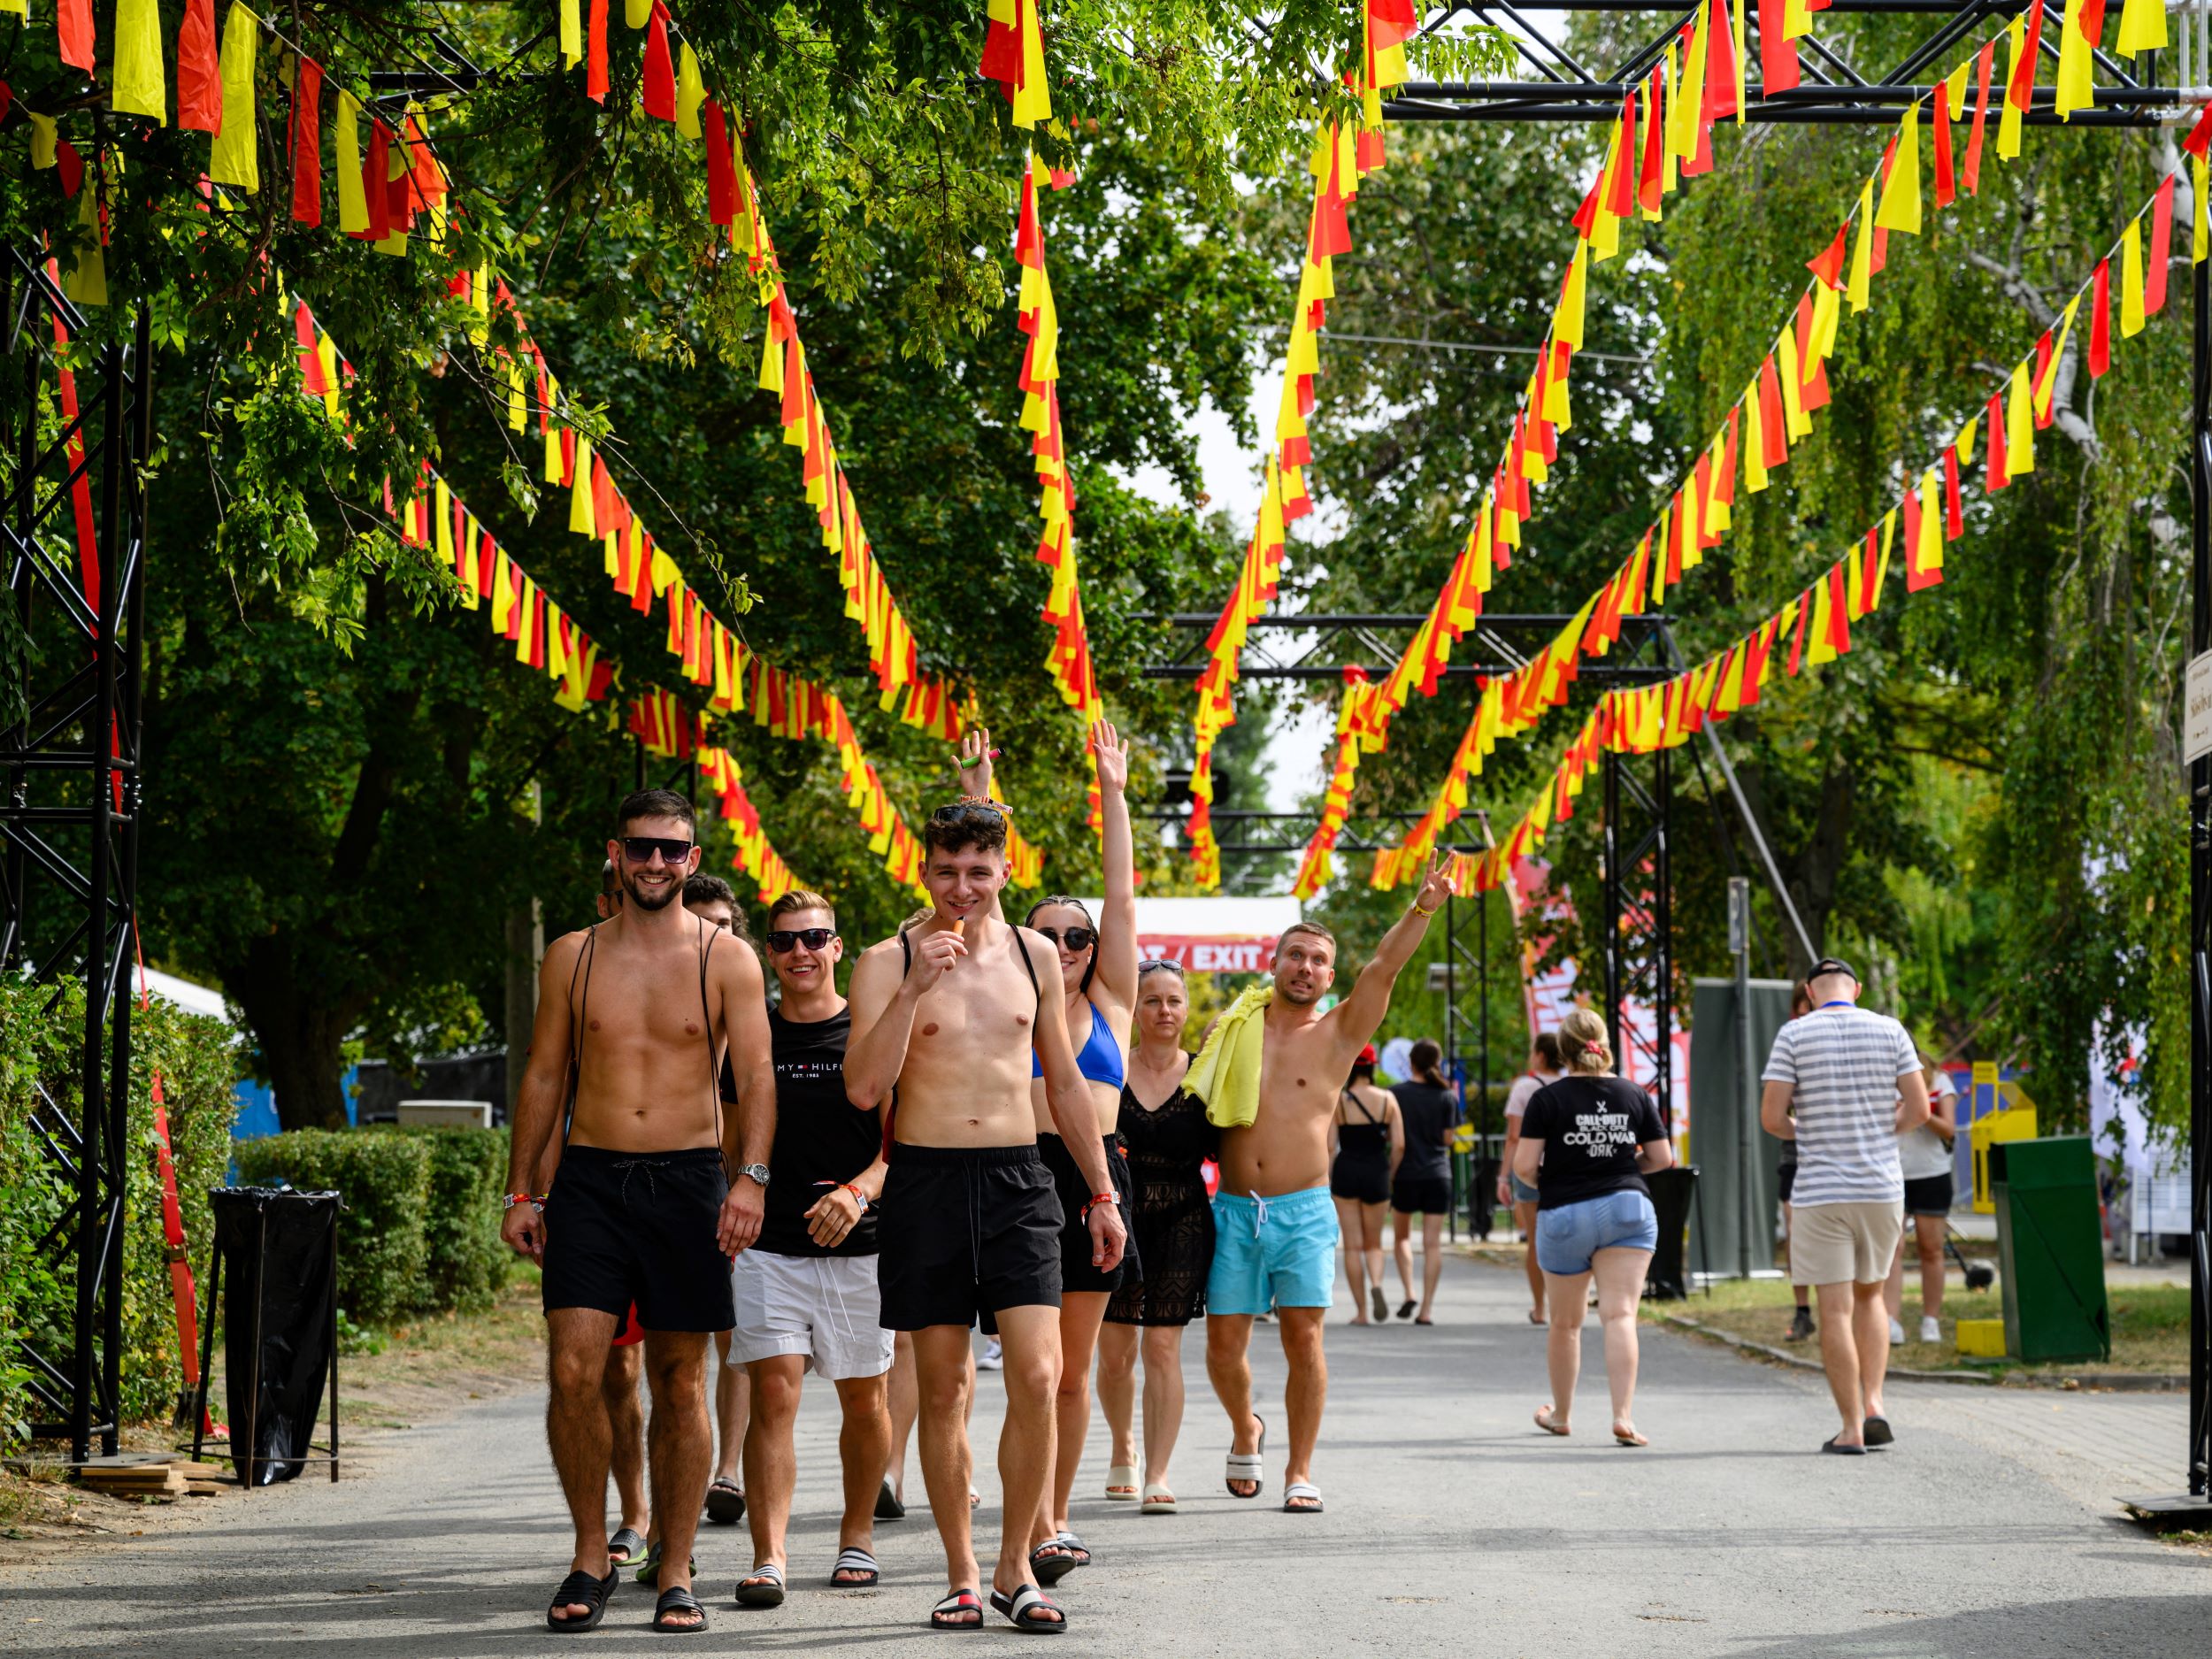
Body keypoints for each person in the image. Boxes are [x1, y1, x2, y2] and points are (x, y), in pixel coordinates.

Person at [844, 794, 1126, 1633]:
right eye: (945, 870)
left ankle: (1015, 1569)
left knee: (1039, 1377)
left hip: (1019, 1178)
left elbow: (1065, 1084)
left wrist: (1102, 1193)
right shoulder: (887, 957)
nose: (961, 886)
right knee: (945, 1387)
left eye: (978, 870)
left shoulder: (1038, 953)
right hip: (926, 1180)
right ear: (923, 869)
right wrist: (915, 987)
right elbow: (864, 1087)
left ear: (1006, 869)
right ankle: (963, 1572)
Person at [503, 789, 776, 1634]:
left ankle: (679, 1564)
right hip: (590, 1181)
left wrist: (752, 1177)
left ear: (691, 859)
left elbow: (757, 1078)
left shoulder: (727, 957)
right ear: (614, 855)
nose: (656, 863)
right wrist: (522, 1189)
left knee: (679, 1378)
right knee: (575, 1369)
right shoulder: (572, 956)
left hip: (691, 1180)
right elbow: (545, 1074)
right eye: (641, 848)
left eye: (672, 850)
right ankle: (592, 1552)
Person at [1198, 855, 1454, 1517]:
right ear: (1275, 962)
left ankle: (1300, 1468)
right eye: (1295, 955)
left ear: (1328, 975)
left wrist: (1422, 907)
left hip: (1306, 1210)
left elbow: (1385, 967)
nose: (1304, 967)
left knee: (1303, 1339)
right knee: (1223, 1348)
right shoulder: (1234, 1028)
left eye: (1317, 959)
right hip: (1232, 1210)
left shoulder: (1341, 1031)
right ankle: (1245, 1427)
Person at [998, 723, 1139, 1586]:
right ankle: (1016, 1510)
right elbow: (969, 891)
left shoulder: (1114, 1000)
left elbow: (1120, 901)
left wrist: (1112, 791)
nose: (1064, 949)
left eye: (1077, 939)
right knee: (1027, 1363)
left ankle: (1052, 1517)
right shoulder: (1008, 991)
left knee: (1072, 1368)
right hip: (1015, 1173)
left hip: (1095, 1176)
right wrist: (981, 792)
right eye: (1046, 934)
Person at [727, 887, 894, 1606]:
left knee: (865, 1400)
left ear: (837, 948)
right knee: (774, 1393)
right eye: (786, 940)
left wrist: (856, 1192)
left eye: (813, 938)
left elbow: (903, 1146)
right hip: (770, 1248)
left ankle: (856, 1536)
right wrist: (736, 1194)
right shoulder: (751, 1037)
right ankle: (770, 1556)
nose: (800, 951)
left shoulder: (871, 1032)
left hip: (862, 1247)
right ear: (770, 952)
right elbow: (732, 1140)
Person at [1760, 957, 1930, 1455]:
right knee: (1871, 1298)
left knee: (1834, 1310)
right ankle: (1875, 1401)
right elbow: (1919, 1110)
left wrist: (1809, 1131)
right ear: (1855, 988)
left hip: (1820, 1191)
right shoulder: (1891, 1030)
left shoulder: (1794, 1035)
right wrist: (1880, 1132)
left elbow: (1773, 1118)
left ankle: (1852, 1427)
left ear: (1810, 993)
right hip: (1880, 1188)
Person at [1514, 1007, 1675, 1446]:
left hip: (1565, 1211)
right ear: (1603, 1045)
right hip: (1627, 1207)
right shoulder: (1633, 1093)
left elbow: (1524, 1167)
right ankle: (1623, 1416)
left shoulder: (1546, 1099)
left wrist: (1553, 1180)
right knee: (1621, 1314)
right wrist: (1624, 1169)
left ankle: (1562, 1415)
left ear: (1562, 1051)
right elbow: (1662, 1159)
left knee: (1565, 1324)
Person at [1098, 960, 1218, 1511]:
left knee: (1164, 1349)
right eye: (1152, 1000)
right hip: (1117, 1219)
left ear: (1187, 1009)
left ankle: (1159, 1472)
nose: (1164, 1011)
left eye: (1174, 1000)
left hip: (1183, 1220)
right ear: (1136, 1009)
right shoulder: (1110, 1068)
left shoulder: (1206, 1073)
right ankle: (1123, 1446)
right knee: (1118, 1352)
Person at [683, 873, 753, 1533]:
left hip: (740, 1189)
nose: (712, 939)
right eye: (699, 924)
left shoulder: (752, 1008)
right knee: (679, 1347)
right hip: (676, 1185)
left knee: (738, 1336)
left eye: (723, 927)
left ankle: (728, 1466)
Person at [1885, 1055, 1958, 1347]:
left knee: (1931, 1248)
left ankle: (1931, 1320)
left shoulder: (1939, 1081)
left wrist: (1920, 1111)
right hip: (1892, 1174)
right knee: (1893, 1248)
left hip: (1931, 1172)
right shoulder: (1882, 1081)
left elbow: (1949, 1129)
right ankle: (1891, 1320)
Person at [1329, 1045, 1402, 1325]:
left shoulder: (1341, 1101)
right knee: (1374, 1244)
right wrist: (1390, 1172)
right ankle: (1377, 1283)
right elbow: (1400, 1145)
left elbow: (1329, 1146)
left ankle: (1361, 1312)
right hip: (1377, 1172)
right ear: (1373, 1067)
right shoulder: (1388, 1099)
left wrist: (1329, 1177)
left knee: (1352, 1247)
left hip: (1347, 1170)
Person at [1389, 1040, 1459, 1325]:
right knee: (1432, 1244)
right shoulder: (1446, 1097)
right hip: (1437, 1174)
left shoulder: (1395, 1094)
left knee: (1402, 1238)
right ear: (1437, 1062)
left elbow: (1391, 1137)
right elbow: (1448, 1139)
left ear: (1412, 1063)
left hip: (1405, 1174)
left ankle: (1409, 1291)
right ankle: (1427, 1309)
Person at [1498, 1032, 1563, 1326]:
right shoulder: (1570, 1085)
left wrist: (1503, 1176)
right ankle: (1565, 1304)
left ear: (1539, 1055)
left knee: (1537, 1242)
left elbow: (1514, 1136)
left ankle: (1540, 1308)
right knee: (1567, 1239)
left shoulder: (1525, 1087)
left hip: (1530, 1169)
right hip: (1566, 1170)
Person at [1778, 980, 1816, 1343]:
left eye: (1811, 1010)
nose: (1805, 1018)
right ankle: (1803, 1310)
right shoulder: (1790, 1043)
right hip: (1795, 1155)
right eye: (1800, 1011)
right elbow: (1775, 1107)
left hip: (1834, 1156)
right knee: (1796, 1229)